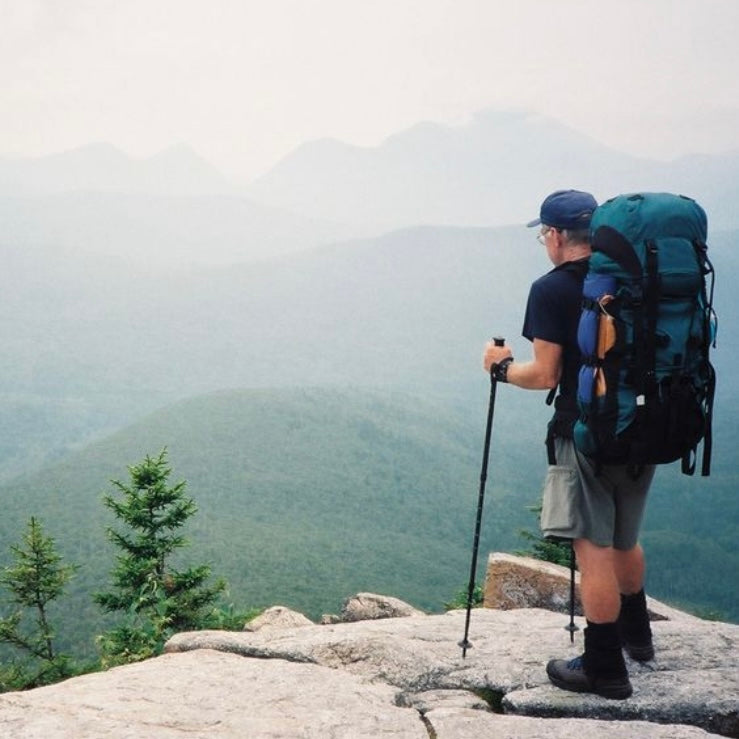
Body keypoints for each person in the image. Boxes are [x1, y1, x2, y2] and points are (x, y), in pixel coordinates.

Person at [482, 189, 655, 700]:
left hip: (586, 432)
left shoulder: (551, 289)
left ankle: (604, 668)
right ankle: (638, 638)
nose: (544, 242)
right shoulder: (634, 278)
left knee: (591, 545)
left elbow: (545, 375)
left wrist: (501, 368)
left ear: (557, 236)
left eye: (543, 234)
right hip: (645, 424)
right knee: (624, 535)